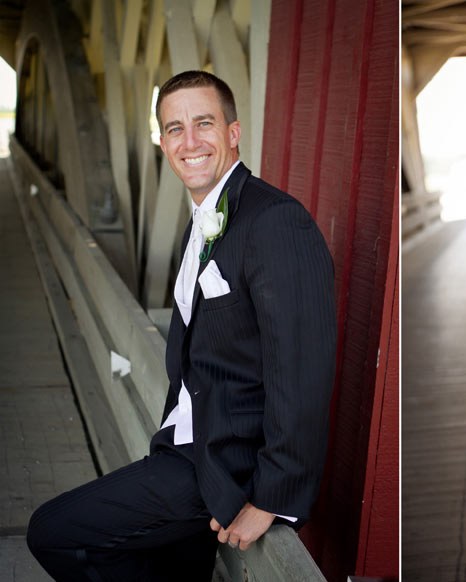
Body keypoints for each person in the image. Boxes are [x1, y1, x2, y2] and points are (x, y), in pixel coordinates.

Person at [27, 70, 337, 581]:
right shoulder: (202, 223)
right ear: (163, 142)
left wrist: (272, 499)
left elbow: (302, 371)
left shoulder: (275, 222)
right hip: (186, 443)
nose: (189, 142)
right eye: (174, 128)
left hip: (222, 468)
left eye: (203, 123)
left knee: (53, 532)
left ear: (233, 132)